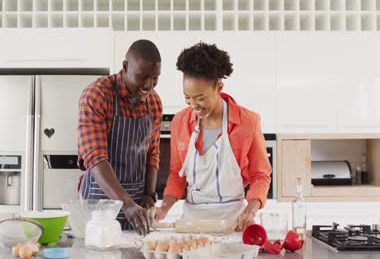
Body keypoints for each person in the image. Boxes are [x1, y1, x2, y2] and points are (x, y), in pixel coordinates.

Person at [154, 42, 271, 232]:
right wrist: (164, 209)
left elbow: (261, 176)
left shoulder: (248, 122)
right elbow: (177, 174)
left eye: (200, 98)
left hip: (234, 222)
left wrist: (250, 211)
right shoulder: (180, 122)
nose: (193, 105)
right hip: (192, 222)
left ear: (219, 87)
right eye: (187, 97)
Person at [77, 39, 162, 236]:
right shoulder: (97, 95)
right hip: (99, 205)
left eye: (155, 78)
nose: (149, 86)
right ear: (125, 67)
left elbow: (153, 152)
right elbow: (95, 156)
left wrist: (149, 193)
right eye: (142, 77)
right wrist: (126, 204)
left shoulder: (154, 102)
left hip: (138, 207)